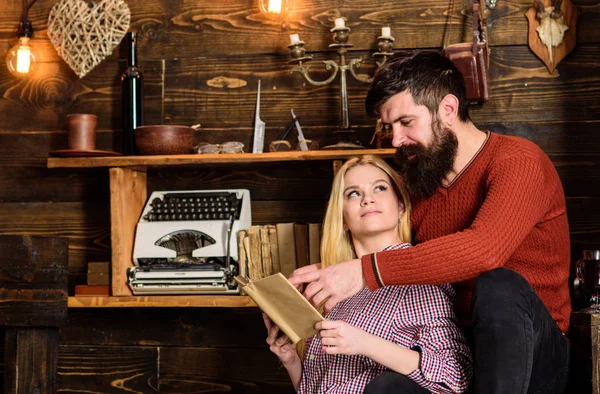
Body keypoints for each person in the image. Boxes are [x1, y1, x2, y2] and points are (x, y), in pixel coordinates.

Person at [288, 51, 571, 394]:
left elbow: (483, 251)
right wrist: (330, 273)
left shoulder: (518, 161)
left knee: (498, 285)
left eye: (406, 123)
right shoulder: (422, 186)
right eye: (389, 127)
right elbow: (398, 252)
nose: (395, 140)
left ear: (448, 110)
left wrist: (362, 271)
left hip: (532, 355)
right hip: (457, 363)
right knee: (386, 387)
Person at [264, 155, 473, 393]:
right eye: (353, 193)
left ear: (401, 207)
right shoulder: (332, 290)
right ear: (342, 218)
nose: (368, 199)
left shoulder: (417, 280)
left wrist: (365, 343)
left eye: (380, 188)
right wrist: (291, 360)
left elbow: (454, 376)